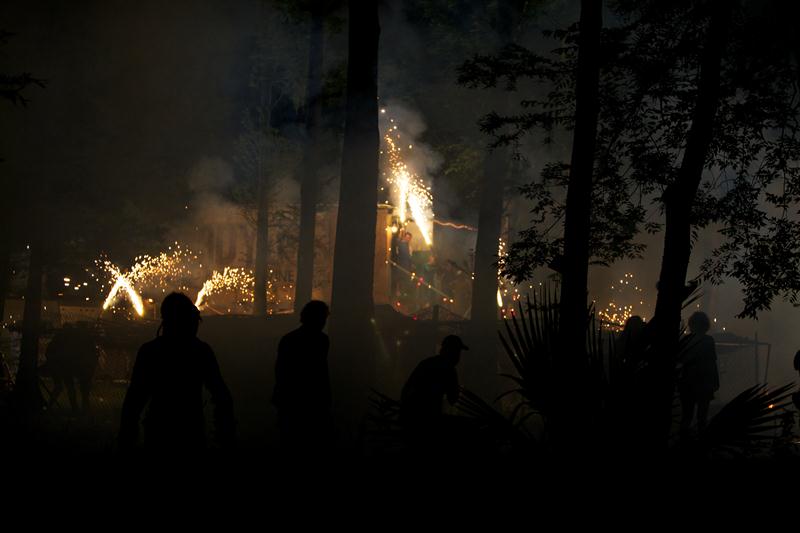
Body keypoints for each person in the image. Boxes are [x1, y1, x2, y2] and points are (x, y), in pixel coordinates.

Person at [118, 292, 235, 454]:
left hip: (158, 431)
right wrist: (225, 433)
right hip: (191, 432)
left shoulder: (150, 351)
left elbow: (135, 398)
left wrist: (127, 435)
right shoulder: (200, 351)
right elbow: (221, 395)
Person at [272, 300, 332, 454]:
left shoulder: (289, 339)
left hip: (292, 400)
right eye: (322, 318)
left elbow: (280, 371)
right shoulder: (322, 341)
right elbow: (320, 373)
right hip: (310, 401)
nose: (323, 322)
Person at [400, 335, 467, 448]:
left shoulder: (426, 363)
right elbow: (453, 399)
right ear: (452, 352)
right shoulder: (449, 370)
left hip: (411, 421)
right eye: (457, 352)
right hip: (429, 423)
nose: (458, 357)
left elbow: (406, 390)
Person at [677, 311, 719, 436]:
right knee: (702, 417)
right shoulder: (708, 341)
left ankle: (682, 441)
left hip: (688, 382)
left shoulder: (686, 340)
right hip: (703, 383)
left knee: (687, 415)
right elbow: (712, 363)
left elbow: (681, 360)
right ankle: (700, 443)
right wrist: (715, 381)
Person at [43, 322, 99, 413]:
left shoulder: (61, 338)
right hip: (74, 364)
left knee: (67, 387)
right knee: (81, 388)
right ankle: (81, 407)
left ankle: (74, 406)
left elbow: (50, 351)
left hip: (66, 364)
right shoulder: (81, 338)